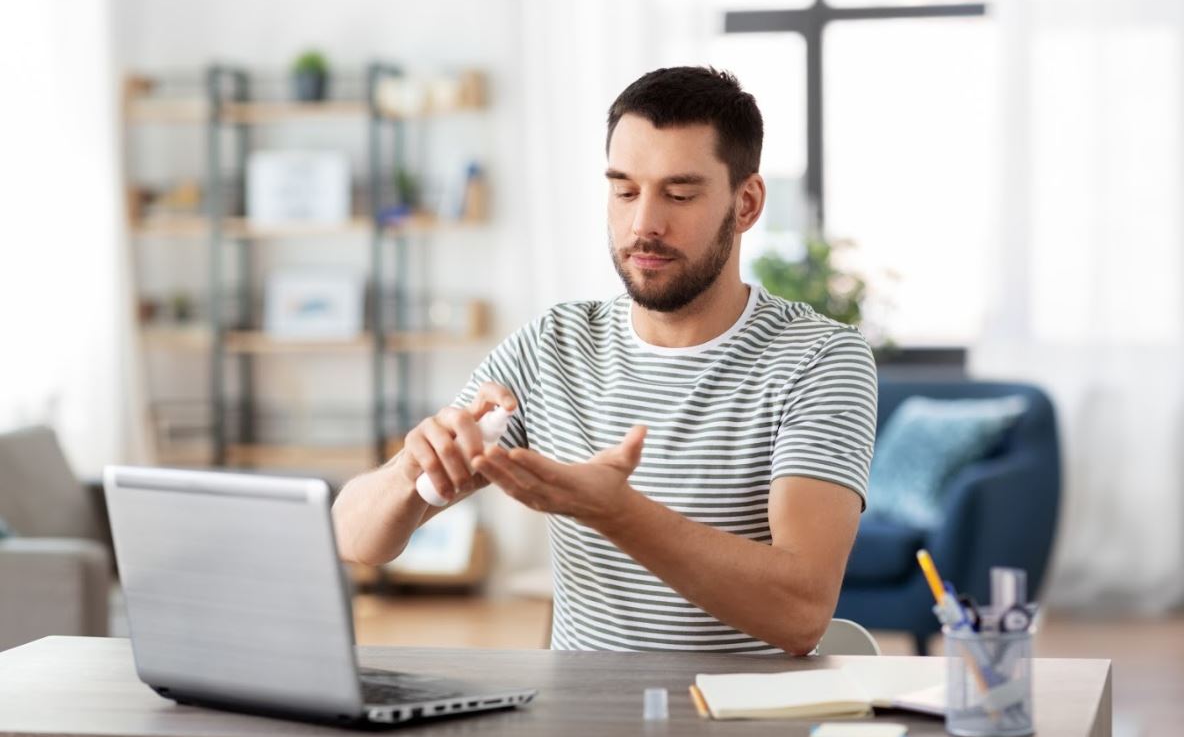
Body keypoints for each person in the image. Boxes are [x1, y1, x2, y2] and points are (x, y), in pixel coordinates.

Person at [332, 66, 876, 656]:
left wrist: (617, 513)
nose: (644, 224)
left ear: (746, 204)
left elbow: (800, 613)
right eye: (624, 190)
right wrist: (415, 470)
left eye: (680, 193)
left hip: (743, 715)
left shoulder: (820, 358)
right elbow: (353, 538)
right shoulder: (554, 344)